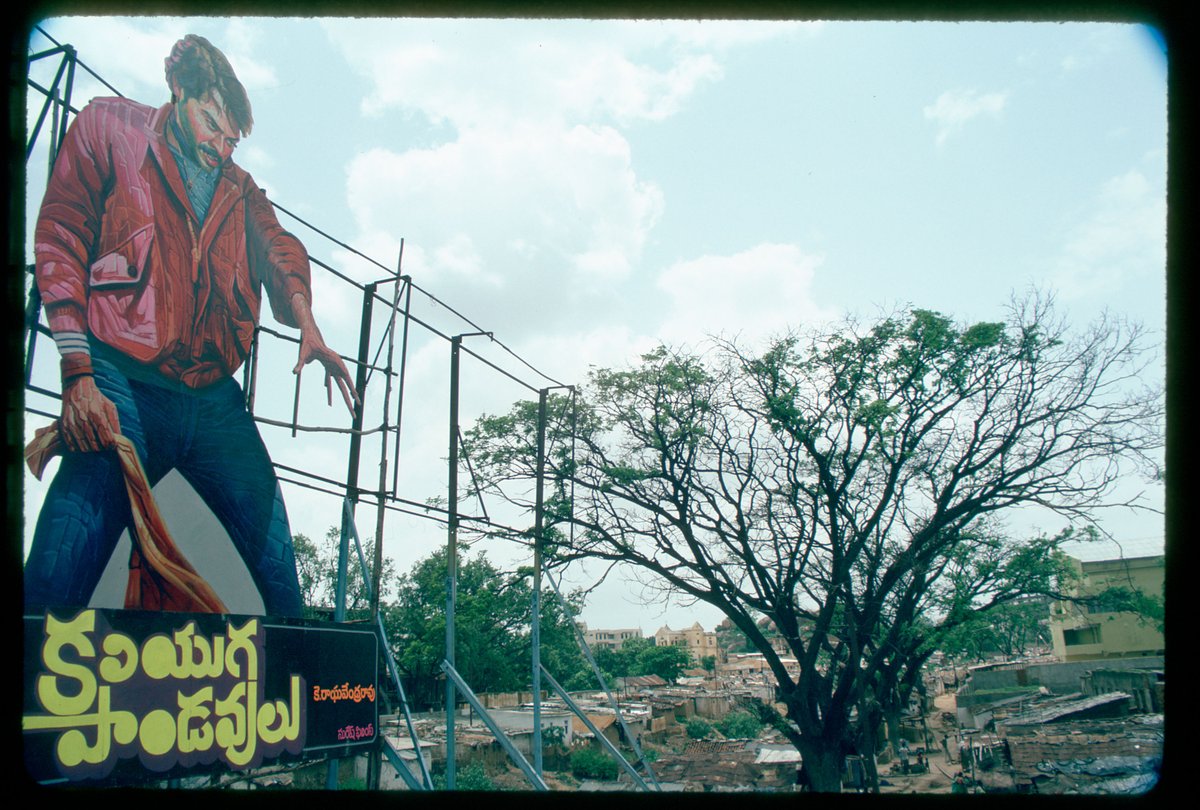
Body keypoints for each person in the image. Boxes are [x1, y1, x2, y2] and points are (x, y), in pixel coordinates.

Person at [24, 34, 356, 617]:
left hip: (209, 402)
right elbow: (60, 237)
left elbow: (280, 252)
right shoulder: (109, 129)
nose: (222, 148)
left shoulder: (239, 189)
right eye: (212, 125)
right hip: (120, 378)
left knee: (277, 565)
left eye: (232, 139)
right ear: (179, 90)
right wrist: (77, 372)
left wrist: (308, 322)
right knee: (67, 550)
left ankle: (300, 694)